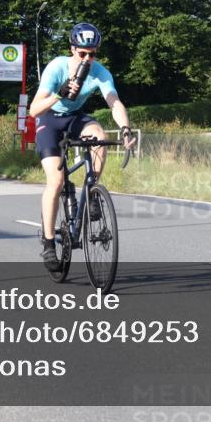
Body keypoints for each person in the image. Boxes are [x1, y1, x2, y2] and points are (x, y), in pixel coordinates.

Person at [29, 23, 136, 269]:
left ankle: (91, 190)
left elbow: (114, 102)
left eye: (93, 53)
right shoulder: (57, 67)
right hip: (49, 119)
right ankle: (48, 243)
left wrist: (125, 129)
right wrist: (60, 93)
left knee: (98, 135)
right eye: (82, 54)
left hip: (76, 118)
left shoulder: (100, 72)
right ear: (72, 49)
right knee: (55, 181)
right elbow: (35, 110)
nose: (87, 59)